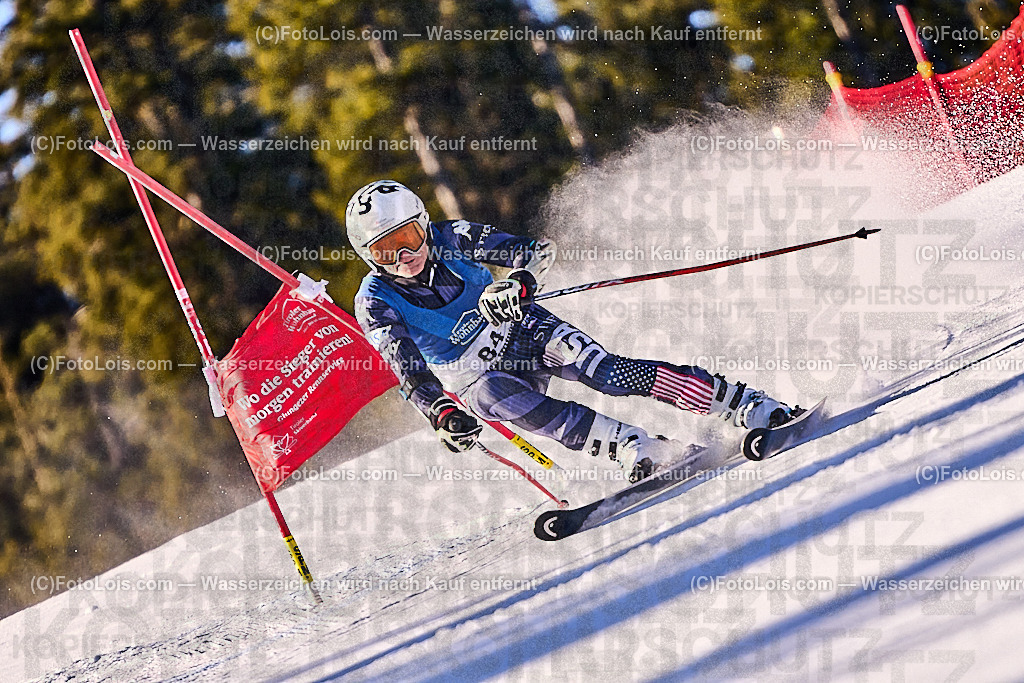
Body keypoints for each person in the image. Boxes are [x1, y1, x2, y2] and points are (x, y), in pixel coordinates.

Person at [347, 180, 798, 482]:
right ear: (368, 257)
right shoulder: (374, 301)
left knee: (608, 373)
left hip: (520, 326)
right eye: (385, 252)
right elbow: (407, 370)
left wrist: (519, 282)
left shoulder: (453, 237)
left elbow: (533, 250)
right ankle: (634, 447)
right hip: (475, 376)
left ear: (423, 225)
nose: (403, 257)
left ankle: (744, 404)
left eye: (407, 238)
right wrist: (441, 414)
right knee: (495, 399)